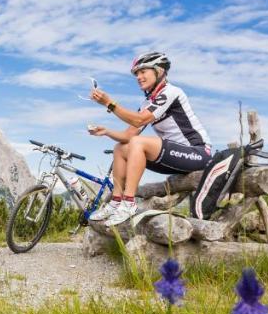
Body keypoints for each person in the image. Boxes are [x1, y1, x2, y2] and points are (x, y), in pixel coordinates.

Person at [86, 51, 212, 226]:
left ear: (159, 71)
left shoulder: (171, 92)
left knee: (137, 143)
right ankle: (116, 201)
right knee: (121, 147)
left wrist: (109, 103)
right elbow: (128, 135)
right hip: (175, 156)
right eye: (136, 73)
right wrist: (106, 131)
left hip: (198, 153)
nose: (139, 77)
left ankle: (129, 203)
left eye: (143, 71)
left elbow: (140, 120)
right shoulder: (148, 103)